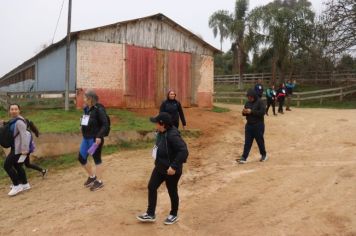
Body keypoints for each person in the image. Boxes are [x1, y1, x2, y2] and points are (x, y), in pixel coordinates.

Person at [137, 112, 188, 225]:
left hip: (171, 170)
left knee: (172, 191)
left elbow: (183, 151)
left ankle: (174, 214)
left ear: (162, 124)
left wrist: (174, 166)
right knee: (151, 186)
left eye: (156, 123)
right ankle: (150, 214)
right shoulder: (161, 132)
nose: (155, 125)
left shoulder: (173, 135)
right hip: (160, 166)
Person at [78, 90, 109, 191]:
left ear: (90, 99)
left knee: (97, 159)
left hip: (95, 139)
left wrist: (99, 136)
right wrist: (81, 125)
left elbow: (105, 124)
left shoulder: (99, 109)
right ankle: (92, 177)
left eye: (85, 98)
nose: (84, 99)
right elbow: (86, 119)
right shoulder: (86, 108)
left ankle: (99, 182)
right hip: (86, 138)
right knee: (81, 158)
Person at [2, 104, 31, 196]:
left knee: (7, 166)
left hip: (19, 149)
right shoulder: (14, 120)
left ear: (19, 110)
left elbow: (24, 135)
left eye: (16, 109)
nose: (14, 111)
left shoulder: (19, 122)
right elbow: (7, 124)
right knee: (17, 166)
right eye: (12, 109)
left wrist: (25, 149)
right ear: (9, 111)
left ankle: (17, 185)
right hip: (15, 147)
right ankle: (25, 184)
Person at [238, 89, 267, 164]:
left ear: (254, 96)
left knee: (260, 141)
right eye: (248, 97)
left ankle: (264, 155)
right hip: (249, 125)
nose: (249, 98)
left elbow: (262, 113)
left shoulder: (260, 102)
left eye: (250, 97)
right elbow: (244, 113)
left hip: (258, 125)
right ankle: (244, 157)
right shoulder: (247, 102)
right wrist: (244, 112)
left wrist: (251, 111)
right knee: (247, 142)